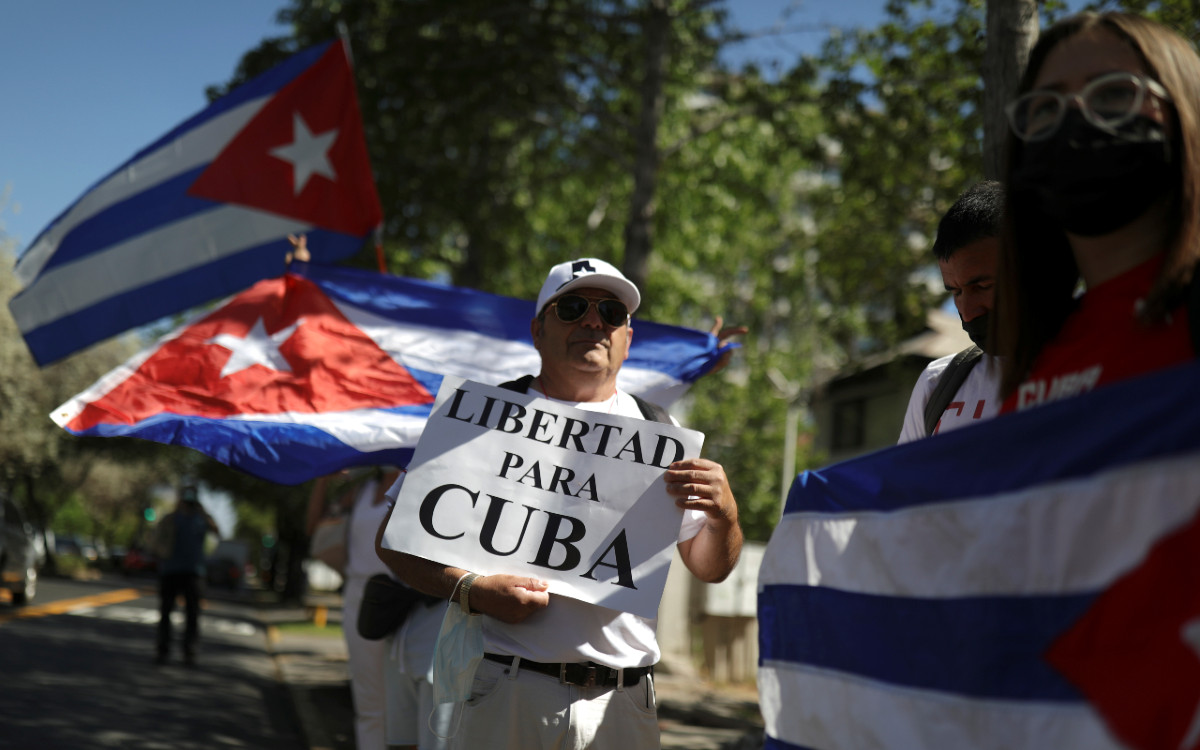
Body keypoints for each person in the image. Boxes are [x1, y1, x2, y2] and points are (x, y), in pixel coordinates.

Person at [376, 257, 744, 750]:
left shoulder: (663, 434)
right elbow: (392, 542)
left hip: (623, 704)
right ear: (538, 330)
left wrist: (726, 517)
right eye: (572, 307)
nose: (594, 322)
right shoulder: (476, 419)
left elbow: (710, 567)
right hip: (502, 693)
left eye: (611, 313)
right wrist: (473, 590)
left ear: (627, 340)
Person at [993, 12, 1200, 411]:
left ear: (1184, 111)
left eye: (1113, 94)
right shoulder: (1032, 359)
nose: (1074, 118)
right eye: (1045, 108)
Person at [306, 467, 408, 750]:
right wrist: (323, 476)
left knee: (403, 700)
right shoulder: (361, 491)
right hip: (359, 597)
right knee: (368, 699)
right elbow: (314, 527)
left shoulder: (414, 480)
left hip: (403, 599)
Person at [898, 180, 1004, 442]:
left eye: (982, 286)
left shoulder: (1096, 368)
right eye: (955, 292)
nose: (967, 314)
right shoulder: (937, 386)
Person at [154, 485, 219, 665]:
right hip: (171, 570)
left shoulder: (202, 519)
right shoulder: (172, 517)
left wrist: (204, 512)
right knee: (165, 612)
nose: (189, 503)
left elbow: (217, 531)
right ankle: (162, 650)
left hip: (194, 572)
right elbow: (157, 536)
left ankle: (189, 652)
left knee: (192, 615)